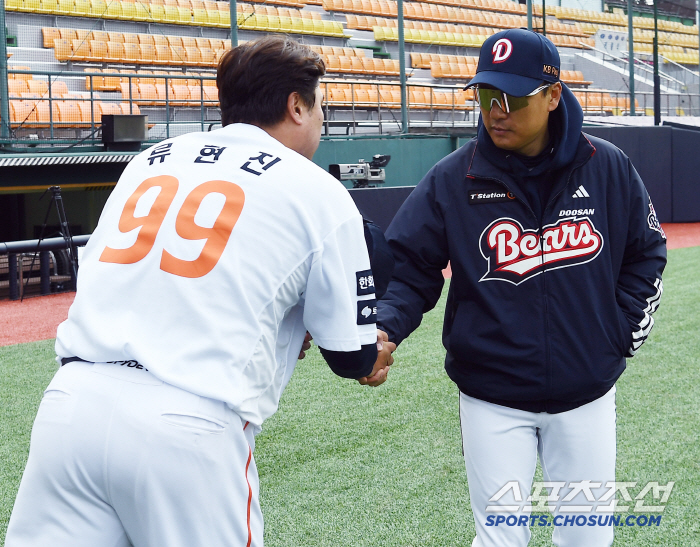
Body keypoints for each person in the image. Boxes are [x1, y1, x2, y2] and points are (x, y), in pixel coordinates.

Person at [6, 35, 395, 547]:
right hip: (187, 423)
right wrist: (371, 357)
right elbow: (350, 355)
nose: (321, 119)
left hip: (71, 405)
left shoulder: (151, 158)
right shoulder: (317, 188)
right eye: (320, 104)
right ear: (296, 105)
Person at [377, 28, 666, 547]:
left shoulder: (608, 167)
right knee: (500, 539)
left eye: (512, 97)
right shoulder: (453, 178)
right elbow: (409, 267)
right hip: (492, 396)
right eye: (487, 96)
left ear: (554, 96)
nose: (496, 110)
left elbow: (646, 252)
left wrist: (617, 331)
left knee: (587, 537)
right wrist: (386, 329)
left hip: (586, 395)